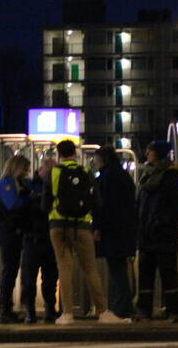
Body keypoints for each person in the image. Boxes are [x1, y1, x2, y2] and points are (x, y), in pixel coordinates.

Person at [42, 139, 129, 325]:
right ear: (75, 153)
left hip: (58, 226)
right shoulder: (86, 172)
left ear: (59, 154)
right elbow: (97, 203)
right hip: (82, 226)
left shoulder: (53, 172)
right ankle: (103, 311)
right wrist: (96, 226)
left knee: (64, 268)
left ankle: (67, 314)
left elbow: (45, 204)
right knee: (90, 269)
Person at [136, 140, 178, 322]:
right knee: (145, 274)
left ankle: (173, 310)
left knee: (168, 274)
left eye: (151, 151)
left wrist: (162, 220)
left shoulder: (171, 176)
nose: (147, 153)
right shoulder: (146, 175)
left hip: (163, 234)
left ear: (158, 154)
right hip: (147, 233)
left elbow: (177, 207)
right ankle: (144, 309)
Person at [92, 145, 138, 320]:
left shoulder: (108, 178)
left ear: (103, 159)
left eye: (96, 159)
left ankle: (120, 308)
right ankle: (123, 306)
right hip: (124, 229)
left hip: (113, 230)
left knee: (117, 269)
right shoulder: (122, 176)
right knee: (119, 268)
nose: (94, 162)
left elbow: (105, 206)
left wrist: (98, 227)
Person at [0, 155, 33, 324]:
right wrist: (29, 198)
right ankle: (3, 308)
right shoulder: (6, 183)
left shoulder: (19, 183)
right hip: (7, 231)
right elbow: (13, 205)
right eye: (24, 168)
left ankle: (6, 307)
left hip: (14, 230)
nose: (26, 172)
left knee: (11, 268)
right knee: (9, 269)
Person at [20, 159, 59, 324]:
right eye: (49, 171)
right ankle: (31, 310)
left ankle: (49, 309)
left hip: (46, 237)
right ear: (41, 169)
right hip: (33, 237)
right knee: (30, 278)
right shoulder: (28, 187)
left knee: (50, 278)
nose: (50, 175)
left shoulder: (34, 187)